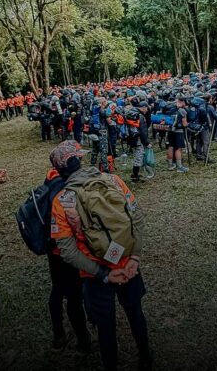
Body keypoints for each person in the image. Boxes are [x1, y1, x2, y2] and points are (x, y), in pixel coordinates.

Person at [48, 142, 152, 371]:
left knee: (105, 326)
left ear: (59, 171)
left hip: (95, 273)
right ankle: (145, 358)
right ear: (81, 160)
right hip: (127, 262)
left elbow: (67, 251)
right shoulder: (114, 181)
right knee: (135, 312)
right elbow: (137, 219)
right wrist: (134, 257)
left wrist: (105, 274)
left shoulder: (61, 201)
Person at [43, 167, 92, 353]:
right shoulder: (66, 188)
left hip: (53, 247)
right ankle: (83, 340)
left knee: (57, 290)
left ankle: (58, 334)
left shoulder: (50, 177)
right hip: (66, 247)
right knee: (74, 297)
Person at [167, 96, 189, 172]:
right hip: (178, 131)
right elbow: (184, 123)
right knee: (178, 148)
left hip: (169, 130)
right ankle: (179, 167)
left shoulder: (171, 108)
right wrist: (187, 125)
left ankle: (170, 165)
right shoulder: (182, 110)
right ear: (182, 102)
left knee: (170, 146)